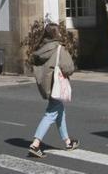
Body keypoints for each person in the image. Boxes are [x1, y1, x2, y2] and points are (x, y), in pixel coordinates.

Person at [27, 23, 78, 158]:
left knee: (59, 112)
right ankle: (35, 144)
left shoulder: (42, 49)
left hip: (47, 85)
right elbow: (68, 68)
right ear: (57, 34)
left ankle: (68, 142)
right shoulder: (59, 49)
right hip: (57, 86)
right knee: (50, 114)